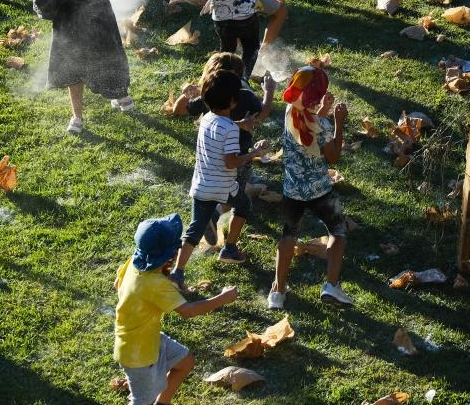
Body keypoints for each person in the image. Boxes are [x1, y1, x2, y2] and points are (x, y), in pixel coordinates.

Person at [113, 213, 237, 405]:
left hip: (145, 338)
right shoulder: (154, 283)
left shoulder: (134, 262)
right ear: (168, 256)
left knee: (185, 361)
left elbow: (117, 283)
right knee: (141, 400)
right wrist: (223, 298)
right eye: (175, 249)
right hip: (137, 355)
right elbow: (187, 311)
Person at [168, 69, 272, 289]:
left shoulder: (206, 118)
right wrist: (254, 153)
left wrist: (240, 123)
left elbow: (222, 127)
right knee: (243, 205)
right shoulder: (231, 131)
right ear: (234, 101)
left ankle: (178, 273)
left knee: (195, 229)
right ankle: (230, 249)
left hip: (201, 185)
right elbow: (231, 162)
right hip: (224, 186)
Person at [267, 65, 354, 309]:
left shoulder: (288, 112)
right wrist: (338, 121)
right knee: (337, 231)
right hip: (320, 191)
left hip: (292, 190)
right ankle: (331, 286)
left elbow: (309, 125)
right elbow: (334, 155)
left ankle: (278, 291)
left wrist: (324, 110)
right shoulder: (322, 126)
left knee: (288, 236)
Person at [33, 0, 134, 134]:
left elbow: (44, 9)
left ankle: (77, 119)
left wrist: (40, 0)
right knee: (109, 63)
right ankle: (124, 99)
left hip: (73, 39)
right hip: (101, 34)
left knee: (74, 75)